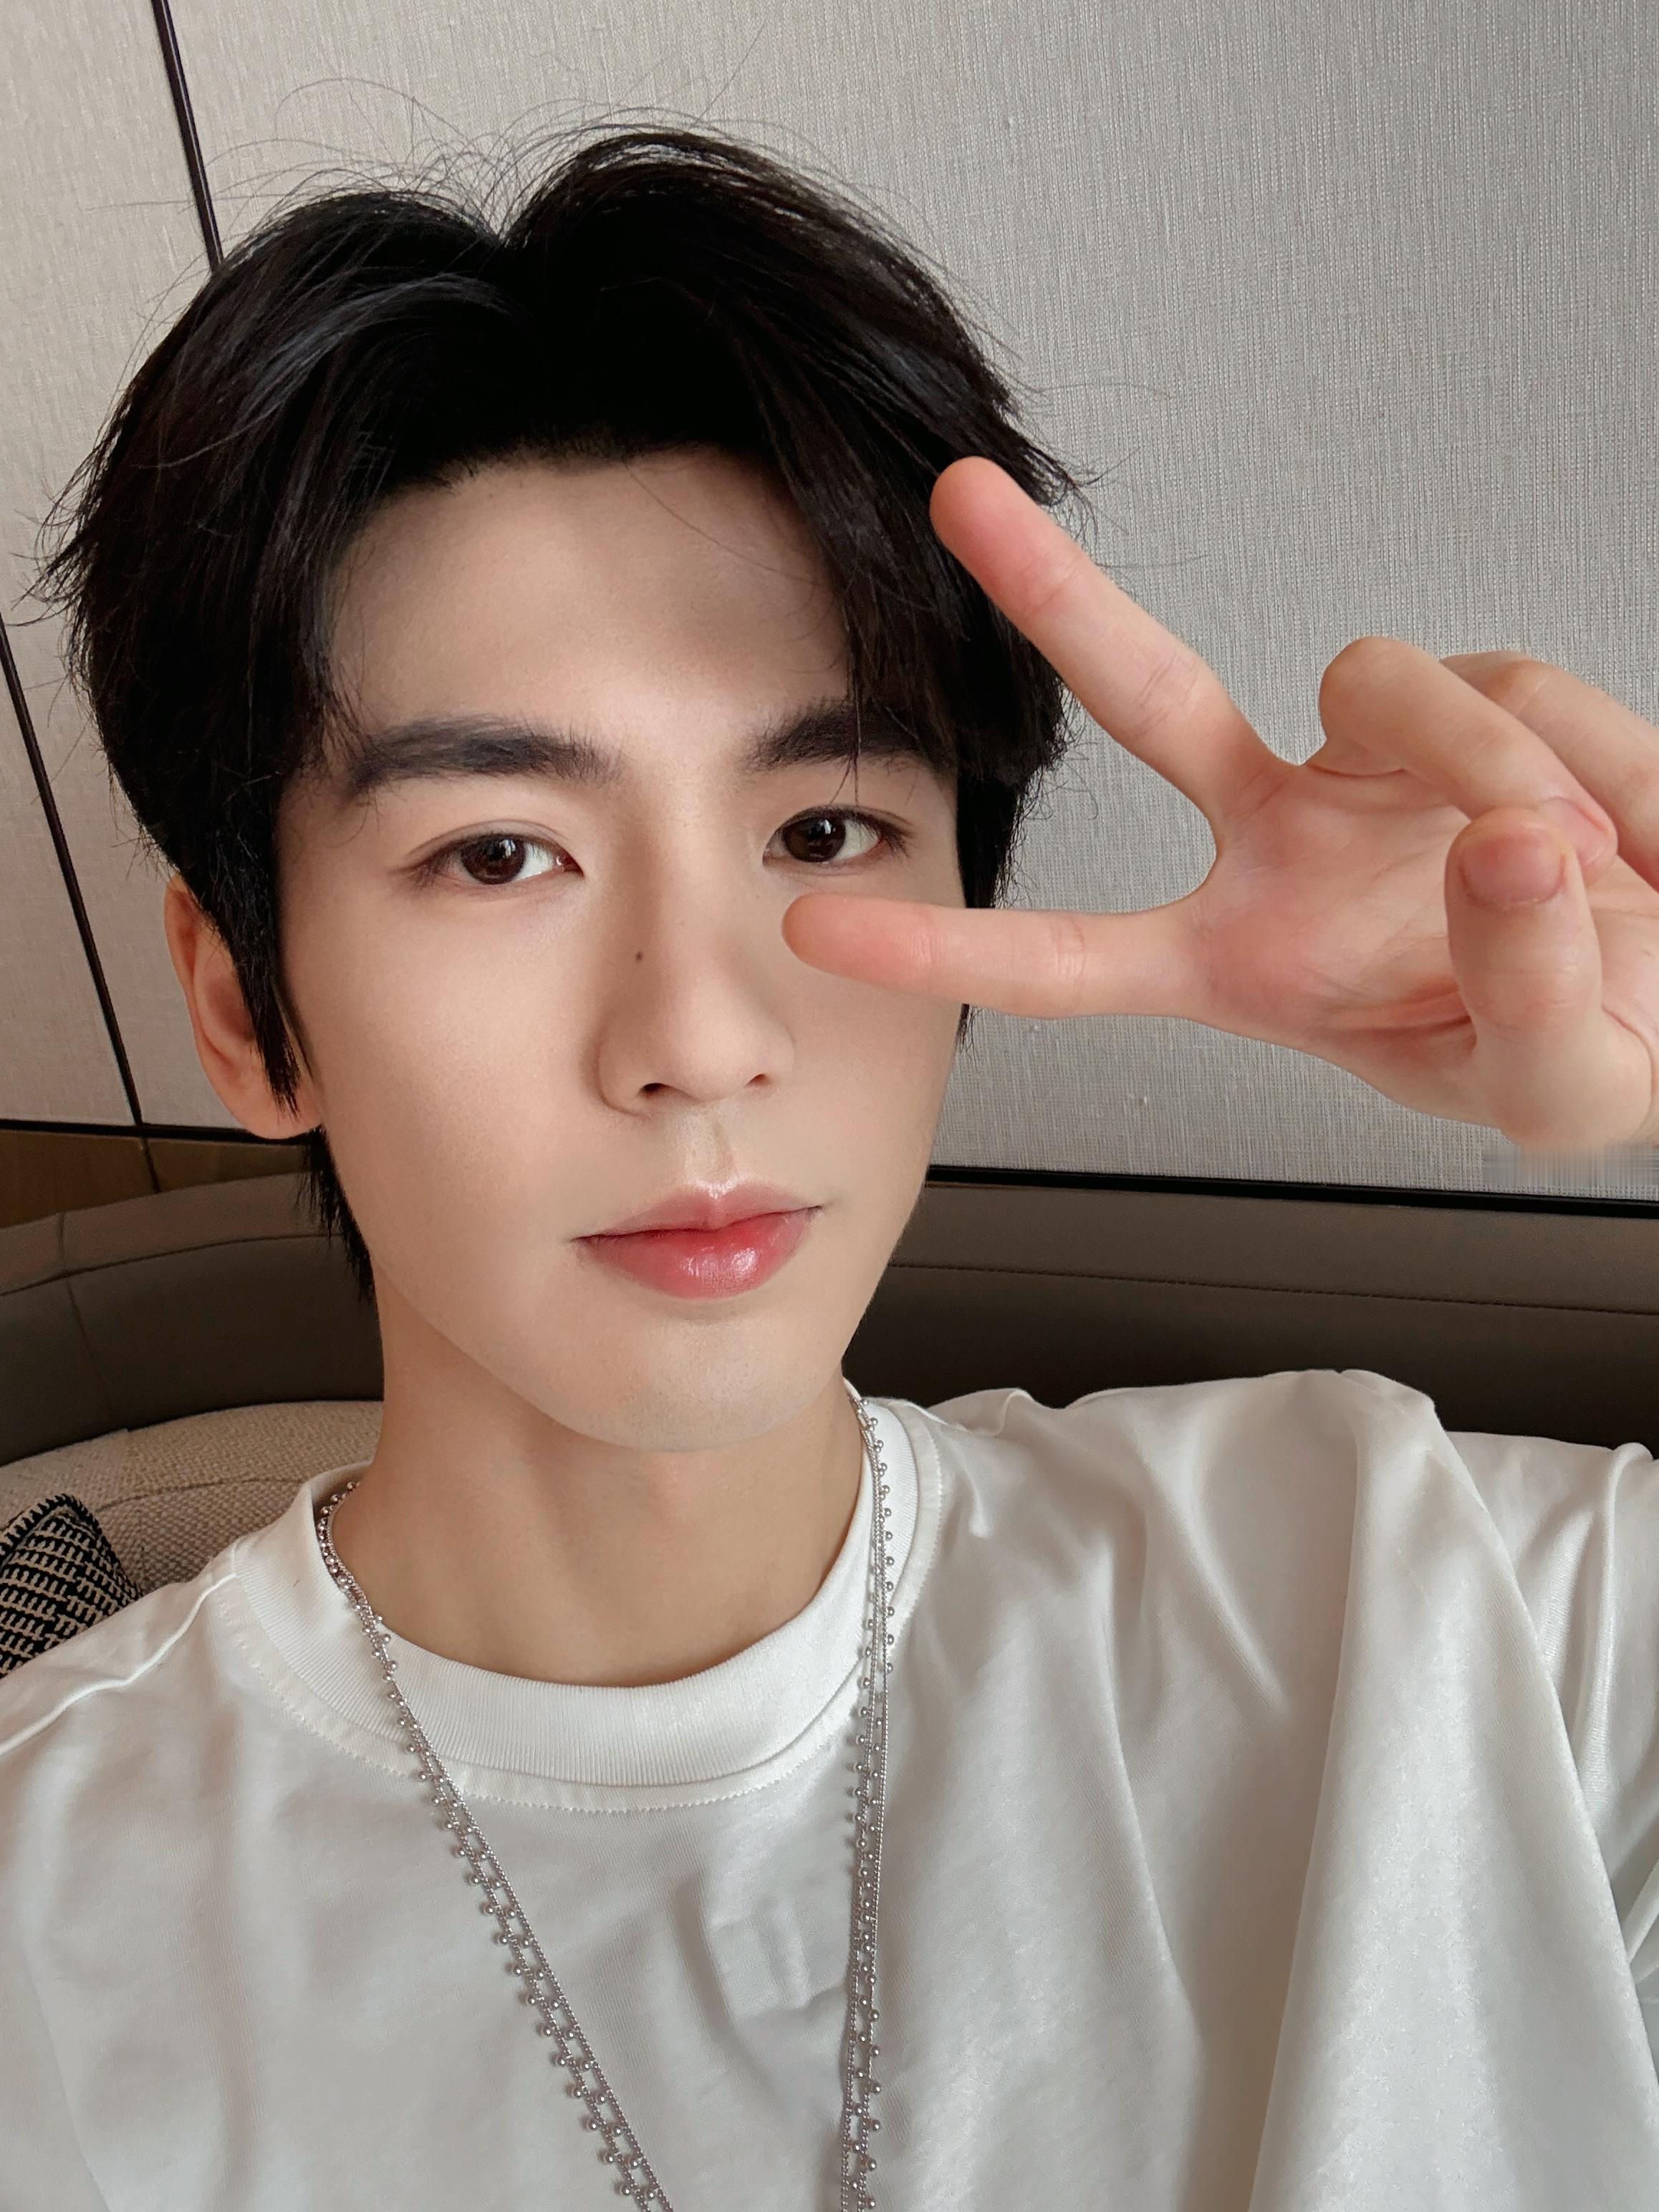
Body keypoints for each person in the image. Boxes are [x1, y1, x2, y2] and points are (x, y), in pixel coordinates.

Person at [3, 120, 1658, 2210]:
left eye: (821, 831)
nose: (701, 1035)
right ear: (248, 1007)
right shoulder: (50, 1915)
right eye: (499, 853)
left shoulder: (1428, 1608)